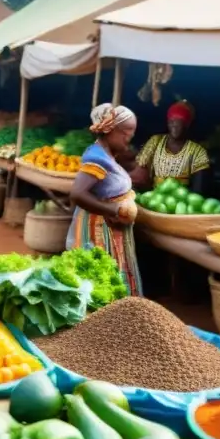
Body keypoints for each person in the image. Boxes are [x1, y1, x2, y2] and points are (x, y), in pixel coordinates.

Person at [68, 104, 142, 296]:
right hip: (99, 231)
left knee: (111, 284)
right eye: (126, 133)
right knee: (100, 286)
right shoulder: (96, 158)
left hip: (112, 229)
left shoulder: (108, 155)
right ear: (111, 131)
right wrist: (114, 210)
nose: (130, 138)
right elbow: (77, 194)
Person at [132, 100, 211, 193]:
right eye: (171, 122)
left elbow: (199, 189)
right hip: (155, 197)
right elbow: (140, 170)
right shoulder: (156, 141)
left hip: (181, 200)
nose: (174, 126)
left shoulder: (197, 152)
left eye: (179, 122)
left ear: (187, 125)